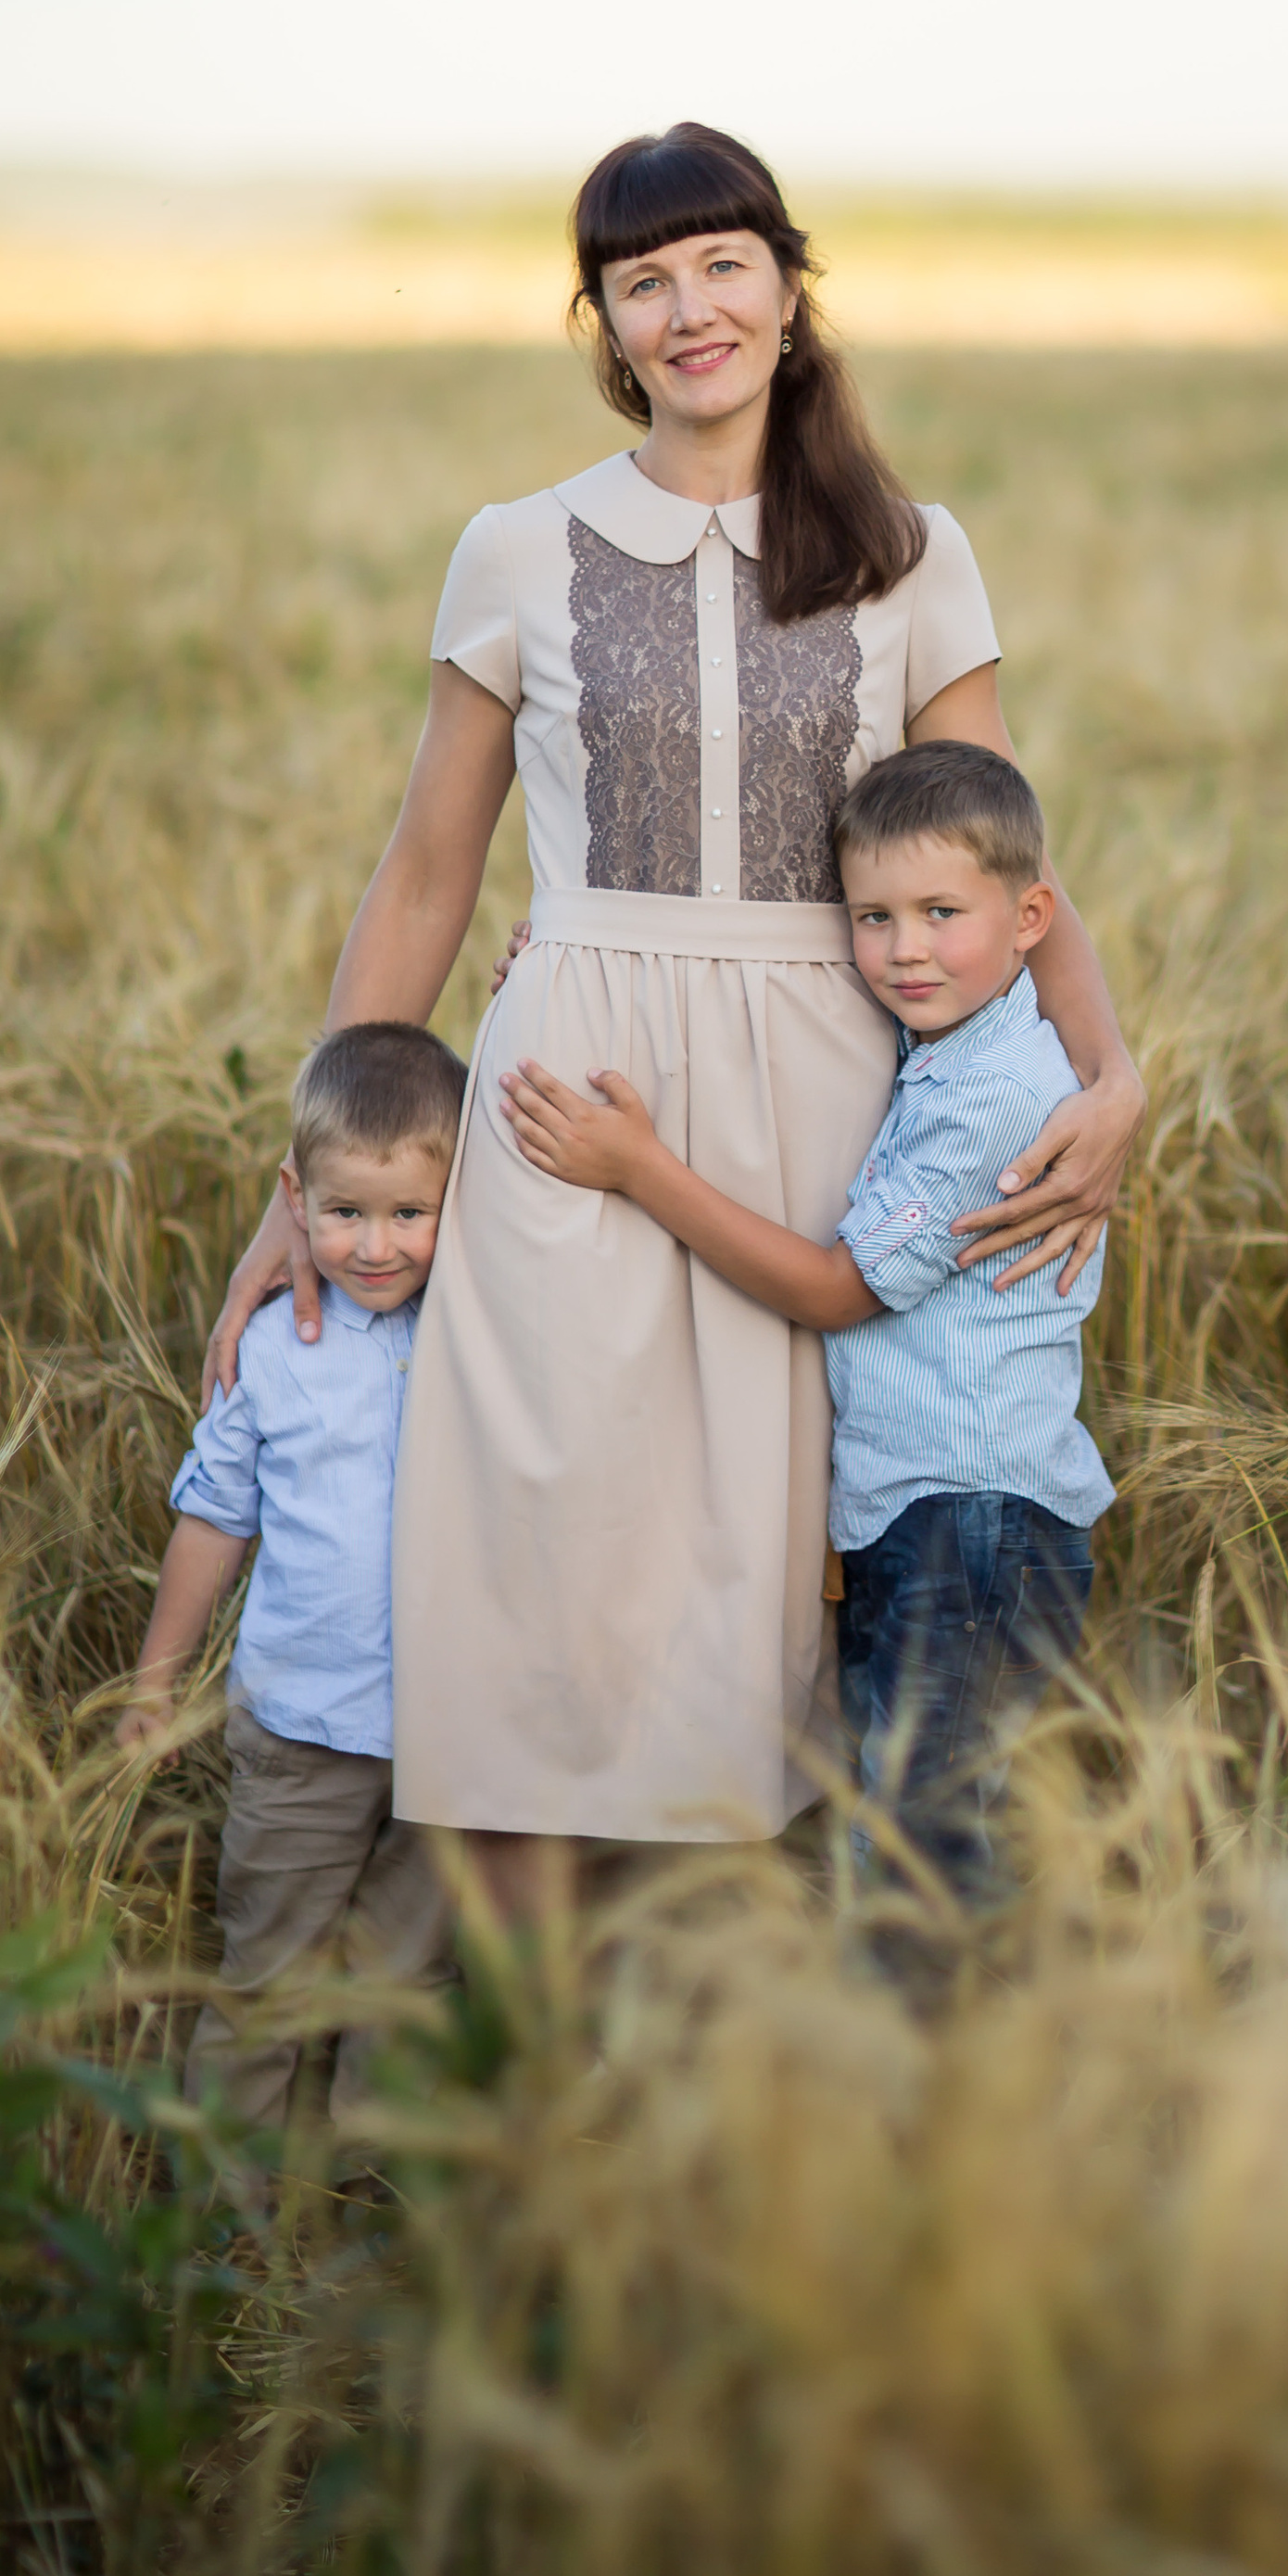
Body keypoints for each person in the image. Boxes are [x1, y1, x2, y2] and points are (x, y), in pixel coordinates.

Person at [200, 121, 1143, 1912]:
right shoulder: (516, 548)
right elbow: (423, 880)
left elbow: (1015, 860)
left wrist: (1117, 1078)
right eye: (646, 279)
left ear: (790, 290)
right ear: (606, 324)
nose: (690, 305)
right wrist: (291, 1185)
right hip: (575, 1097)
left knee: (765, 1584)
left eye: (723, 263)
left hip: (828, 1110)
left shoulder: (915, 552)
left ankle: (721, 2041)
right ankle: (527, 2065)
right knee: (548, 1555)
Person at [507, 740, 1112, 1902]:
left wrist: (639, 1168)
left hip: (972, 1520)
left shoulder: (992, 1098)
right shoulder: (941, 1038)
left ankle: (942, 2077)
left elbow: (838, 1288)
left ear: (1032, 914)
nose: (904, 950)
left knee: (919, 1858)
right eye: (873, 917)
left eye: (942, 912)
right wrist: (559, 980)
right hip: (920, 1514)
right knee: (902, 1840)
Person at [126, 1022, 464, 2134]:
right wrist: (153, 1685)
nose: (375, 1247)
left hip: (450, 1742)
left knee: (404, 1990)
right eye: (345, 1213)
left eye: (410, 1213)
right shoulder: (268, 1351)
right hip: (303, 1736)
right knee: (270, 1981)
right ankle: (229, 2231)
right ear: (294, 1197)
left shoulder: (478, 1339)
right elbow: (213, 1520)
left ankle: (364, 2212)